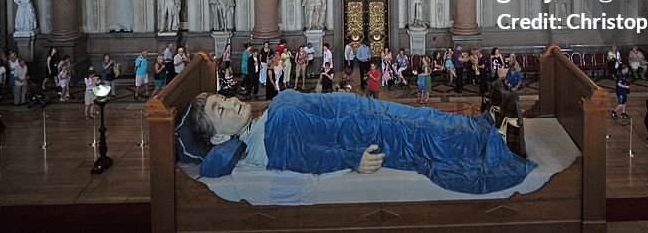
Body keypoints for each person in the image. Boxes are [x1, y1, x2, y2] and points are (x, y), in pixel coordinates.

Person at [188, 90, 537, 194]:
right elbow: (307, 159)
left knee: (418, 116)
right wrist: (353, 157)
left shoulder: (263, 121)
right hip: (360, 133)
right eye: (220, 109)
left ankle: (480, 124)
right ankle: (492, 143)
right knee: (420, 137)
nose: (231, 102)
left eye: (223, 98)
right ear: (220, 136)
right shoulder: (269, 141)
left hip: (358, 108)